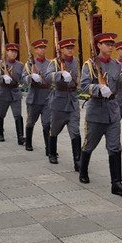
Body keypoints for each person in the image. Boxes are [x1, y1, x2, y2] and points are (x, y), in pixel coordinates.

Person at [79, 32, 122, 196]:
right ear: (99, 46)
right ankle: (83, 171)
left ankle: (116, 183)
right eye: (106, 44)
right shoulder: (89, 65)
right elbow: (84, 86)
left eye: (112, 44)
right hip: (96, 111)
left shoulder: (116, 65)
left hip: (113, 111)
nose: (110, 47)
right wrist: (99, 89)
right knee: (90, 144)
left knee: (115, 147)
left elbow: (121, 84)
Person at [45, 38, 82, 170]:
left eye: (72, 47)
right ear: (61, 49)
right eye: (67, 48)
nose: (70, 50)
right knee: (54, 128)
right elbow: (48, 76)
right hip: (59, 101)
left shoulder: (76, 60)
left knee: (75, 130)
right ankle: (52, 153)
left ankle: (78, 160)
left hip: (72, 100)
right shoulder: (55, 62)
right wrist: (60, 74)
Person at [0, 43, 26, 145]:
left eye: (15, 52)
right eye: (11, 51)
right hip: (3, 92)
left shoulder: (20, 65)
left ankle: (20, 137)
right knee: (1, 114)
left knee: (18, 115)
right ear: (7, 52)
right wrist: (2, 78)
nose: (14, 53)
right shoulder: (0, 64)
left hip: (15, 92)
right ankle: (0, 133)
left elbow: (22, 78)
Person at [23, 38, 52, 155]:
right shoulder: (29, 64)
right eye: (40, 48)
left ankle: (48, 148)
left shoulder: (50, 63)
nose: (42, 50)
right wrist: (31, 77)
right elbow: (23, 79)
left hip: (47, 97)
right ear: (35, 50)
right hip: (34, 97)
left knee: (47, 123)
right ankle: (28, 142)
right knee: (31, 121)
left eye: (44, 47)